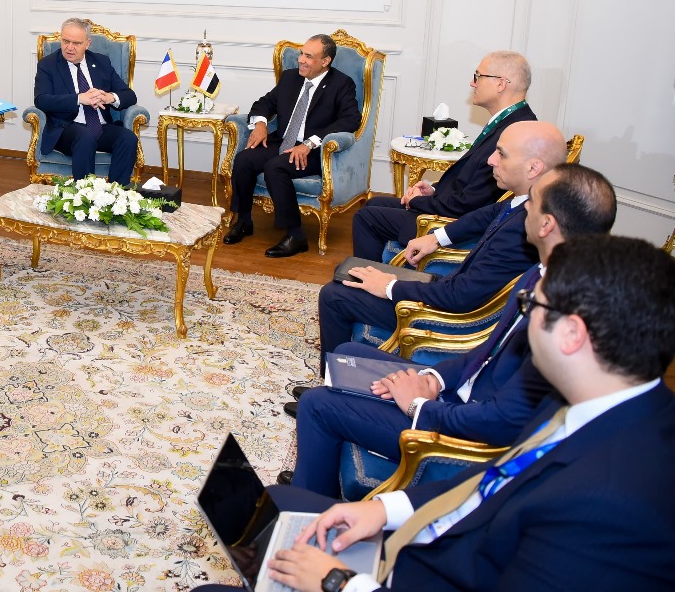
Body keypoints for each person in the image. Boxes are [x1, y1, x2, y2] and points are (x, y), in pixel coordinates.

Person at [194, 235, 675, 592]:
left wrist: (338, 582)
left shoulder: (610, 505)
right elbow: (494, 479)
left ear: (572, 335)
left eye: (532, 304)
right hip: (427, 540)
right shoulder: (588, 398)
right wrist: (382, 509)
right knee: (277, 507)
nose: (524, 314)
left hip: (420, 573)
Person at [284, 163, 617, 497]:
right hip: (456, 394)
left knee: (317, 405)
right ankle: (320, 474)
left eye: (533, 201)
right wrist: (435, 378)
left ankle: (307, 503)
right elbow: (488, 352)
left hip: (458, 429)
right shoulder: (544, 273)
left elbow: (501, 422)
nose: (524, 206)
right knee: (347, 355)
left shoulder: (561, 319)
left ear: (547, 224)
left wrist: (419, 405)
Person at [302, 121, 566, 408]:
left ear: (533, 168)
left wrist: (390, 286)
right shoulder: (528, 203)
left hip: (450, 316)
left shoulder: (524, 228)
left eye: (501, 154)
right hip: (450, 289)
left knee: (335, 296)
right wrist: (436, 238)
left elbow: (460, 296)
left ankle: (331, 392)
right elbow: (484, 216)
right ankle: (339, 380)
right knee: (351, 274)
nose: (491, 159)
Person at [351, 51, 536, 259]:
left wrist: (417, 201)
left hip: (454, 224)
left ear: (500, 84)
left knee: (366, 218)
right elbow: (471, 181)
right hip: (454, 208)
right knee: (374, 203)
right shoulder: (509, 122)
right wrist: (432, 189)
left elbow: (469, 203)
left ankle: (369, 276)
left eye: (478, 76)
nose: (472, 83)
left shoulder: (513, 132)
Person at [223, 33, 360, 258]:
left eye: (309, 56)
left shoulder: (341, 84)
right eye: (301, 54)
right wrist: (260, 124)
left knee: (275, 167)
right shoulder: (290, 78)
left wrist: (310, 143)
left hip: (314, 152)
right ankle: (244, 221)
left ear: (325, 61)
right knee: (245, 159)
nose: (301, 60)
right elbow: (263, 103)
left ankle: (296, 235)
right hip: (283, 141)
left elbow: (350, 120)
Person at [32, 17, 140, 184]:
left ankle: (116, 192)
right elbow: (41, 100)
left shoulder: (101, 62)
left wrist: (109, 97)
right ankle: (84, 193)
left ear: (87, 44)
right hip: (67, 129)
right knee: (86, 136)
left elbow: (130, 95)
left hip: (101, 127)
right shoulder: (48, 65)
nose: (69, 47)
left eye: (76, 43)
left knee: (128, 138)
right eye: (65, 41)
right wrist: (78, 99)